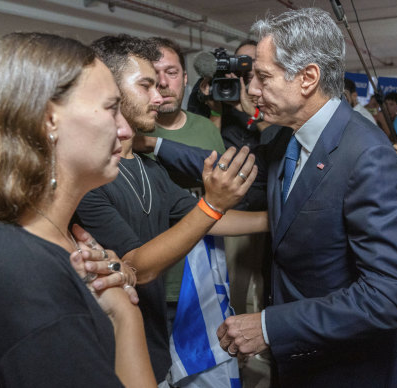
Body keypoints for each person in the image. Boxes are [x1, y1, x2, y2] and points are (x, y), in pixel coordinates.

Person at [143, 8, 397, 386]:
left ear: (307, 78)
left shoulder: (366, 155)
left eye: (263, 77)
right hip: (299, 360)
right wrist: (153, 143)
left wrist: (270, 326)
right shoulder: (284, 137)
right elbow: (227, 166)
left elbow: (390, 296)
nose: (251, 89)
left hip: (349, 367)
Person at [0, 32, 155, 387]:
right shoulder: (19, 270)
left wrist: (120, 311)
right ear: (49, 119)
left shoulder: (35, 245)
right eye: (112, 108)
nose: (125, 129)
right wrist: (124, 315)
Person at [76, 34, 266, 387]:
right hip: (114, 349)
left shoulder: (151, 169)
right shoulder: (92, 176)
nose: (158, 95)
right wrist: (213, 204)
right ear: (111, 89)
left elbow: (204, 221)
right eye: (146, 85)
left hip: (155, 337)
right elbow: (137, 265)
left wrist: (275, 220)